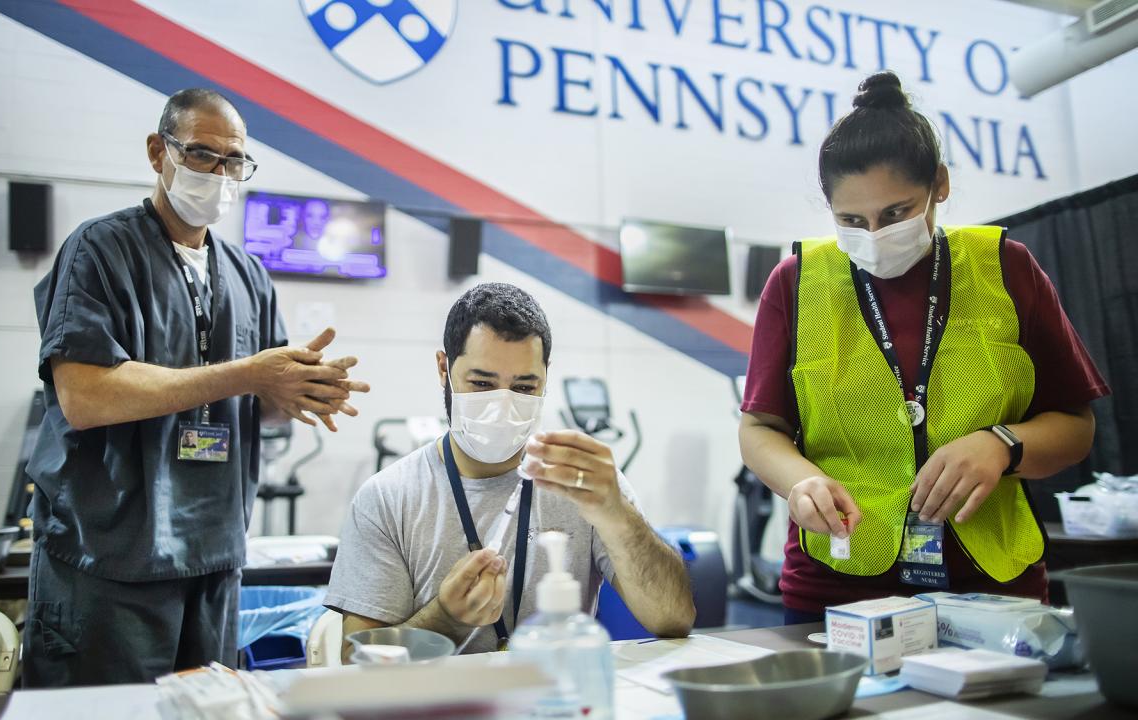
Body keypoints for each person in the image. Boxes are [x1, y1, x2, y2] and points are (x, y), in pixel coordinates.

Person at [24, 88, 370, 686]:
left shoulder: (248, 275)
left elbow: (262, 401)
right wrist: (247, 373)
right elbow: (84, 398)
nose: (221, 174)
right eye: (204, 155)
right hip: (109, 557)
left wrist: (298, 392)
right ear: (160, 152)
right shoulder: (101, 250)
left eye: (235, 161)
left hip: (213, 557)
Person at [738, 71, 1109, 624]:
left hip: (991, 584)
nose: (875, 235)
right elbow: (760, 430)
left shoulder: (1005, 267)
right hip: (838, 585)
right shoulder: (797, 282)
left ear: (939, 185)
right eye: (851, 220)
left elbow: (1077, 426)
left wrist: (1003, 444)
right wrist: (800, 481)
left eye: (896, 213)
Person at [325, 283, 695, 656]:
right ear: (444, 368)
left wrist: (618, 516)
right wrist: (445, 619)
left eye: (523, 386)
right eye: (482, 383)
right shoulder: (389, 499)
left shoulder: (584, 485)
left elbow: (674, 619)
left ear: (545, 378)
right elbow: (355, 659)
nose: (502, 405)